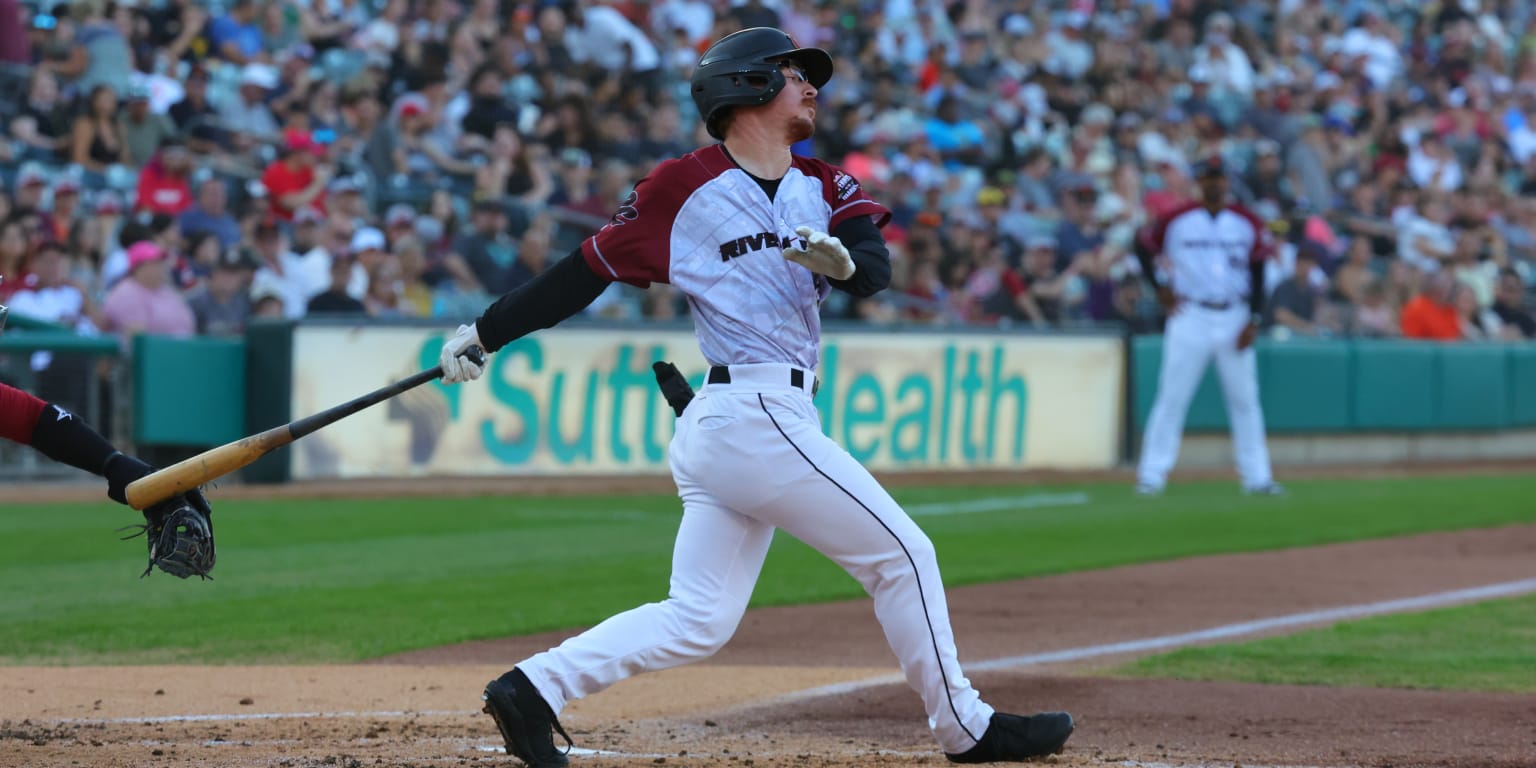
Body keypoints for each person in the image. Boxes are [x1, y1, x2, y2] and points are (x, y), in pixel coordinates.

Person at [434, 27, 1075, 767]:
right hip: (748, 413)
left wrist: (841, 263)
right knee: (903, 554)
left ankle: (530, 689)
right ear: (745, 86)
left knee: (698, 619)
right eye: (794, 73)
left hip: (749, 420)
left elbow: (873, 269)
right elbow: (581, 274)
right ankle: (966, 728)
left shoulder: (827, 182)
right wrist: (486, 331)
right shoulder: (681, 187)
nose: (811, 86)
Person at [1132, 156, 1283, 496]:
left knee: (1245, 400)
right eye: (1208, 177)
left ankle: (1257, 476)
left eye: (1219, 177)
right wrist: (1159, 289)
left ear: (1227, 182)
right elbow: (1142, 246)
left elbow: (1258, 272)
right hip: (1191, 314)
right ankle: (1152, 475)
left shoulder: (1246, 221)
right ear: (1199, 182)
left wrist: (1254, 318)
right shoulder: (1177, 219)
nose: (1214, 183)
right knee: (1172, 396)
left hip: (1234, 314)